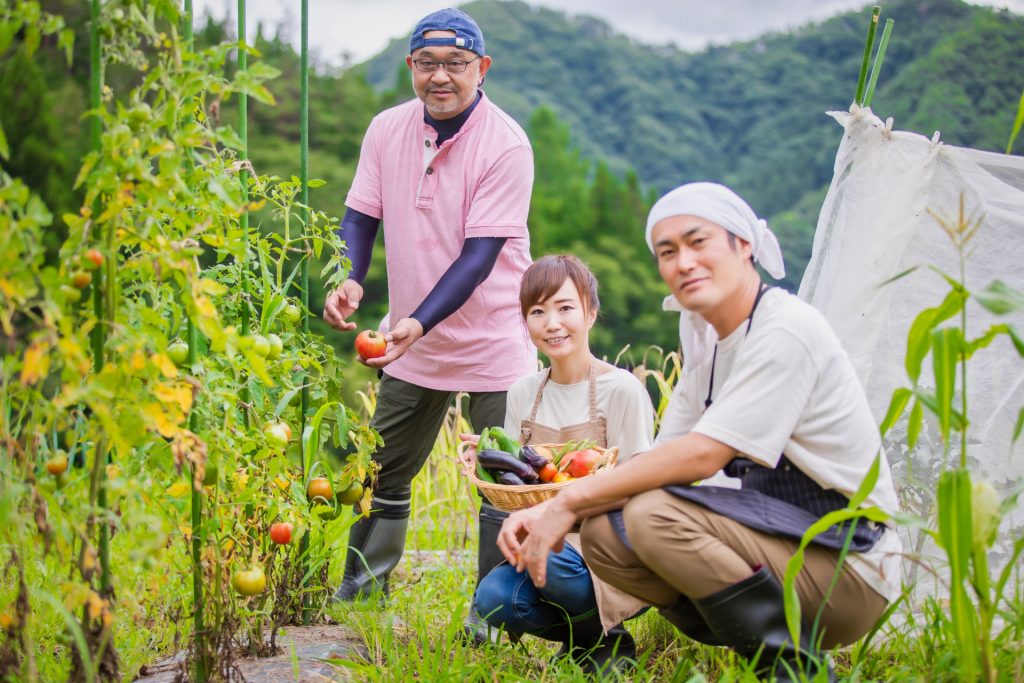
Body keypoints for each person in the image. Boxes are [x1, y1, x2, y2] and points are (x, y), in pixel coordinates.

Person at [495, 183, 902, 681]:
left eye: (698, 242)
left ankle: (795, 668)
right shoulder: (706, 337)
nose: (683, 261)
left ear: (744, 245)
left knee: (650, 514)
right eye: (668, 252)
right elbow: (664, 455)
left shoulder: (785, 329)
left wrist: (565, 502)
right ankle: (744, 639)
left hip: (846, 563)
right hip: (776, 539)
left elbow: (702, 456)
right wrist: (548, 511)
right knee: (605, 534)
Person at [322, 7, 535, 642]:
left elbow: (479, 257)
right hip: (410, 341)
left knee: (505, 485)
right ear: (411, 66)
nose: (440, 76)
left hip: (495, 340)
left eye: (455, 64)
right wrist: (352, 276)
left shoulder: (506, 144)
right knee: (382, 468)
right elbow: (360, 216)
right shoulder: (387, 128)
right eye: (427, 63)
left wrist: (415, 320)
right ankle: (361, 596)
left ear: (481, 68)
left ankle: (492, 620)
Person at [460, 255, 655, 673]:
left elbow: (639, 486)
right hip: (543, 538)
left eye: (565, 307)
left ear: (591, 312)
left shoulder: (621, 390)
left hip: (610, 546)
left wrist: (561, 513)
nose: (552, 323)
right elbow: (517, 483)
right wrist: (490, 455)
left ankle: (604, 641)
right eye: (537, 311)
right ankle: (589, 639)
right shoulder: (522, 392)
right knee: (493, 600)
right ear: (525, 321)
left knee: (552, 556)